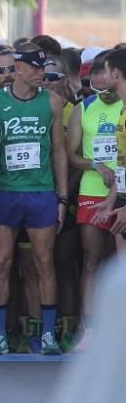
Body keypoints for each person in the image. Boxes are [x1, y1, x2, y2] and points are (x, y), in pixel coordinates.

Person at [0, 45, 68, 355]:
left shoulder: (53, 102)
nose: (41, 74)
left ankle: (48, 335)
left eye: (43, 69)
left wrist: (62, 197)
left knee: (44, 263)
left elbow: (58, 151)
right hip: (7, 193)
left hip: (41, 192)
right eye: (35, 69)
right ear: (18, 69)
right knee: (2, 262)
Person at [66, 53, 122, 351]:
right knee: (92, 260)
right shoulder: (83, 108)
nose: (104, 93)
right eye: (96, 88)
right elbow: (70, 154)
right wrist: (94, 165)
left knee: (119, 263)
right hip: (92, 191)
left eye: (108, 88)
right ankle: (89, 328)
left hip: (122, 192)